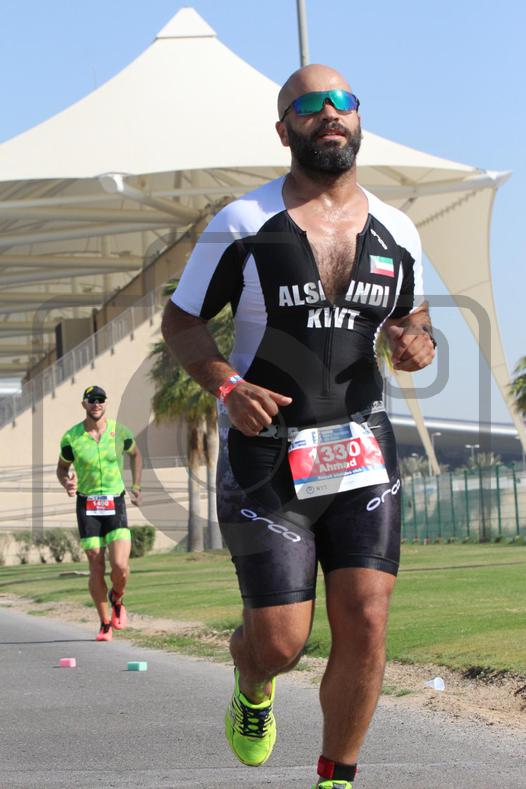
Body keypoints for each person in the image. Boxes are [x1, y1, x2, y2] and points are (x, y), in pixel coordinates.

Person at [161, 64, 436, 789]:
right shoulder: (242, 223)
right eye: (311, 105)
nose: (330, 114)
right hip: (267, 457)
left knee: (367, 618)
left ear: (359, 120)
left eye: (344, 102)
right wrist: (227, 385)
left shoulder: (398, 228)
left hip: (362, 450)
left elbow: (413, 317)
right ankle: (253, 680)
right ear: (284, 130)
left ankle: (336, 777)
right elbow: (181, 321)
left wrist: (417, 340)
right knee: (281, 643)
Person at [56, 385, 143, 642]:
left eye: (101, 399)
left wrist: (136, 487)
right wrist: (67, 483)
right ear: (84, 404)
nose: (96, 403)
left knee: (120, 566)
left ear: (106, 403)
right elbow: (62, 468)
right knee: (96, 565)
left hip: (115, 503)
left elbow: (136, 456)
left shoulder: (120, 432)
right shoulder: (71, 437)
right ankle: (105, 622)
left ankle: (117, 598)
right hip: (88, 505)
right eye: (92, 400)